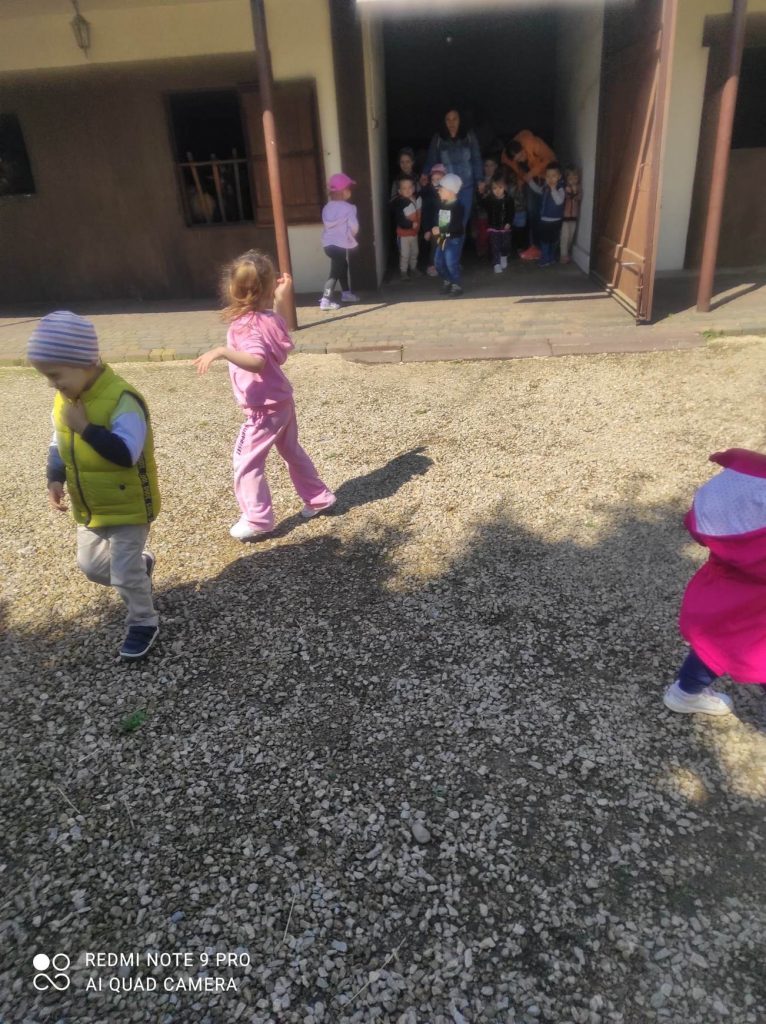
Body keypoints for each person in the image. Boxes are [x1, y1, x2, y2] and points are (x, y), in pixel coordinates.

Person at [28, 310, 161, 661]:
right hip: (90, 504)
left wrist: (86, 428)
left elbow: (127, 453)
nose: (51, 384)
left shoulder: (123, 400)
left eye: (55, 375)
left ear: (86, 362)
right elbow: (59, 441)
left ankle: (143, 621)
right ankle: (142, 566)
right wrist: (55, 476)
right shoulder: (67, 400)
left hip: (129, 505)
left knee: (123, 574)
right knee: (92, 567)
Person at [195, 250, 335, 541]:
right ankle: (318, 497)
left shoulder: (244, 327)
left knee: (245, 461)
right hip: (281, 400)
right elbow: (280, 337)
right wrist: (281, 299)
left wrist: (222, 351)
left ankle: (258, 519)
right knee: (291, 451)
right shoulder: (270, 318)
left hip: (263, 409)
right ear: (270, 287)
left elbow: (257, 361)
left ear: (233, 289)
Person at [664, 448, 766, 716]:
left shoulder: (745, 483)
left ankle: (685, 693)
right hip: (758, 614)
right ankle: (685, 694)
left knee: (711, 647)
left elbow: (699, 522)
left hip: (717, 597)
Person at [421, 110, 484, 234]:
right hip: (447, 188)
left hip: (466, 187)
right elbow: (431, 158)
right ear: (443, 122)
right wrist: (425, 174)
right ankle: (443, 246)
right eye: (448, 119)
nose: (451, 122)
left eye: (455, 118)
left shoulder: (469, 136)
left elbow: (476, 158)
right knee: (444, 224)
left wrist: (480, 179)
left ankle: (456, 247)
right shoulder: (438, 138)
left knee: (460, 225)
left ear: (460, 120)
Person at [502, 130, 556, 261]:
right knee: (532, 212)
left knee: (548, 213)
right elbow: (518, 172)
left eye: (521, 155)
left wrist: (532, 173)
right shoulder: (508, 159)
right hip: (530, 181)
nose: (521, 159)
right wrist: (522, 184)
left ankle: (550, 248)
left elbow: (550, 158)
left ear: (523, 148)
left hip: (548, 177)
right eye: (517, 159)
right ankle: (535, 247)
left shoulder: (534, 143)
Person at [319, 172, 360, 311]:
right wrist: (350, 235)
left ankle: (346, 293)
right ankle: (325, 300)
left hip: (328, 245)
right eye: (349, 188)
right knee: (334, 273)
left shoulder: (327, 207)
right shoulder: (348, 208)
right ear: (343, 191)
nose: (350, 191)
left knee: (342, 265)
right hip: (340, 245)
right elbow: (354, 227)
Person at [431, 172, 465, 297]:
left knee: (451, 262)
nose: (439, 191)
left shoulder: (458, 207)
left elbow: (456, 226)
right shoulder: (442, 204)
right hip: (443, 237)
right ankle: (448, 280)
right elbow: (440, 219)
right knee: (438, 262)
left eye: (441, 189)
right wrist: (437, 229)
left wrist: (440, 230)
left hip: (454, 239)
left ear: (450, 191)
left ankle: (456, 284)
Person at [527, 162, 565, 267]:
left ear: (559, 177)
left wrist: (553, 189)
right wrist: (530, 182)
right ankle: (545, 258)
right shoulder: (545, 187)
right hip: (544, 220)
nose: (550, 179)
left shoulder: (560, 188)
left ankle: (551, 257)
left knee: (553, 240)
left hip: (556, 220)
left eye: (554, 176)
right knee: (544, 240)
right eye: (548, 176)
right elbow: (538, 190)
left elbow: (559, 201)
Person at [480, 172, 514, 272]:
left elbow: (511, 212)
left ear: (505, 187)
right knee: (495, 246)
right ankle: (496, 263)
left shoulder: (509, 200)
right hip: (493, 228)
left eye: (500, 187)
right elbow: (482, 203)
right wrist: (481, 193)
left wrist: (509, 222)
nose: (497, 191)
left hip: (505, 228)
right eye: (494, 188)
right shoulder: (490, 200)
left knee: (505, 245)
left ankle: (503, 256)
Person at [390, 175, 422, 282]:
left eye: (410, 187)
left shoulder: (416, 199)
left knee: (415, 252)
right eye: (404, 188)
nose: (407, 190)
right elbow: (400, 219)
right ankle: (403, 271)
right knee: (404, 254)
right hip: (403, 234)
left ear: (413, 188)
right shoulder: (400, 203)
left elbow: (419, 214)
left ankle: (413, 268)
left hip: (414, 233)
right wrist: (410, 224)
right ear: (399, 191)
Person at [420, 163, 446, 277]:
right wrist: (427, 229)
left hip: (445, 225)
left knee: (443, 245)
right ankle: (432, 265)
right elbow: (426, 214)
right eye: (433, 179)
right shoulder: (428, 194)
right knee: (435, 246)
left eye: (439, 179)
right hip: (434, 226)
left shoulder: (448, 193)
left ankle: (443, 264)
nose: (436, 182)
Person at [474, 156, 499, 259]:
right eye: (486, 166)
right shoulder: (479, 180)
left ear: (496, 166)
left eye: (491, 165)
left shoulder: (499, 179)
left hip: (496, 210)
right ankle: (483, 250)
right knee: (483, 233)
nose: (489, 168)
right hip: (483, 211)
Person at [560, 165, 582, 264]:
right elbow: (568, 197)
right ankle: (563, 255)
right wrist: (571, 191)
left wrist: (576, 190)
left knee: (571, 236)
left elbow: (578, 198)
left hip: (574, 215)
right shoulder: (565, 188)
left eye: (575, 177)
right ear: (566, 179)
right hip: (565, 216)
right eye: (570, 178)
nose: (573, 180)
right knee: (565, 236)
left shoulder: (579, 188)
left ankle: (566, 252)